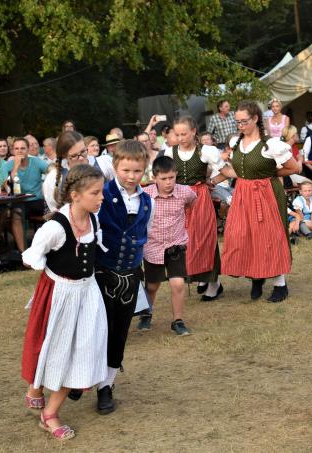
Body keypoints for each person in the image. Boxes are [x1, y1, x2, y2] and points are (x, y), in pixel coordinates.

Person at [20, 164, 109, 442]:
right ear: (75, 195)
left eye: (101, 191)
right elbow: (32, 257)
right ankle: (37, 390)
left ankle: (49, 412)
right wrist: (47, 264)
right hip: (60, 295)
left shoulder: (94, 221)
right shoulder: (55, 228)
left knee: (83, 352)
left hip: (88, 293)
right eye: (95, 193)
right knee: (54, 350)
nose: (101, 197)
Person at [68, 140, 154, 413]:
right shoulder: (100, 195)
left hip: (130, 276)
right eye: (126, 170)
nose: (131, 176)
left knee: (119, 333)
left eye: (137, 171)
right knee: (93, 330)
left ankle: (106, 385)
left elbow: (145, 234)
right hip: (101, 274)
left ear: (144, 169)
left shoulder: (147, 201)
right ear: (115, 166)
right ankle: (80, 377)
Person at [217, 100, 301, 302]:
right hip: (243, 193)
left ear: (255, 119)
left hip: (266, 193)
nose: (240, 126)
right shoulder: (236, 142)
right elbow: (237, 171)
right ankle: (256, 276)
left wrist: (268, 173)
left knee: (269, 237)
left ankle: (280, 284)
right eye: (237, 122)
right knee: (242, 235)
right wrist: (213, 178)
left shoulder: (270, 144)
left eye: (244, 121)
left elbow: (294, 168)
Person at [165, 116, 226, 301]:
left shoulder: (206, 151)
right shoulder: (170, 151)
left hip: (200, 198)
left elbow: (225, 170)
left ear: (193, 132)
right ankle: (200, 277)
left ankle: (214, 283)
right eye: (177, 134)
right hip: (179, 199)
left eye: (184, 134)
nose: (180, 138)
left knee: (205, 239)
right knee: (185, 241)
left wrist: (212, 181)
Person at [139, 156, 197, 335]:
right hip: (153, 247)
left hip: (175, 245)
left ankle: (177, 320)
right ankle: (146, 313)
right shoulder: (145, 195)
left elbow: (192, 203)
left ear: (176, 174)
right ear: (154, 177)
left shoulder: (185, 192)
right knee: (152, 286)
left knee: (178, 284)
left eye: (171, 177)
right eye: (163, 178)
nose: (168, 182)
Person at [6, 137, 50, 251]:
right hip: (19, 201)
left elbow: (51, 170)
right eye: (16, 148)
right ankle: (23, 252)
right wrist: (16, 166)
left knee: (52, 212)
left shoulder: (36, 161)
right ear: (13, 150)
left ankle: (47, 248)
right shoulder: (9, 164)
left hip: (37, 200)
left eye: (22, 148)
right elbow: (7, 183)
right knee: (15, 215)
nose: (19, 151)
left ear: (27, 149)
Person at [43, 132, 90, 214]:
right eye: (74, 156)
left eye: (83, 151)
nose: (81, 158)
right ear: (64, 156)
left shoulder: (98, 167)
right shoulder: (53, 178)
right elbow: (54, 211)